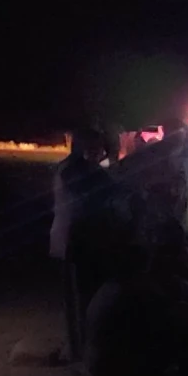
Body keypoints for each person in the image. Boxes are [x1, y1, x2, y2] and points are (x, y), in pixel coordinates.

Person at [51, 127, 115, 362]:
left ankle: (81, 347)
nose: (98, 152)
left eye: (99, 148)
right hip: (73, 241)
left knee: (85, 297)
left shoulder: (81, 168)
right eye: (94, 147)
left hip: (82, 240)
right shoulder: (74, 170)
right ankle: (77, 350)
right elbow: (101, 193)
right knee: (78, 299)